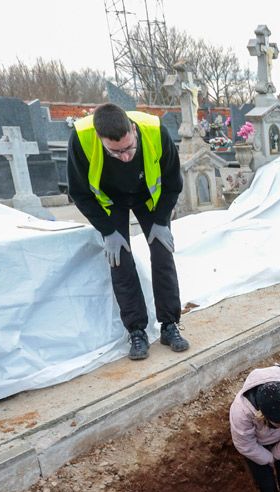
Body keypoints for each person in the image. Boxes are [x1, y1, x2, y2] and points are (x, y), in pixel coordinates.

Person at [67, 102, 188, 361]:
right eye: (115, 152)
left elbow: (173, 182)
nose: (125, 156)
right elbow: (79, 193)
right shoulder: (81, 139)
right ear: (100, 139)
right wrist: (108, 230)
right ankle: (136, 331)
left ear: (133, 130)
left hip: (148, 198)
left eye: (129, 148)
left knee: (162, 254)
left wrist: (162, 221)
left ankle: (169, 325)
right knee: (120, 261)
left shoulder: (155, 131)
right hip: (111, 202)